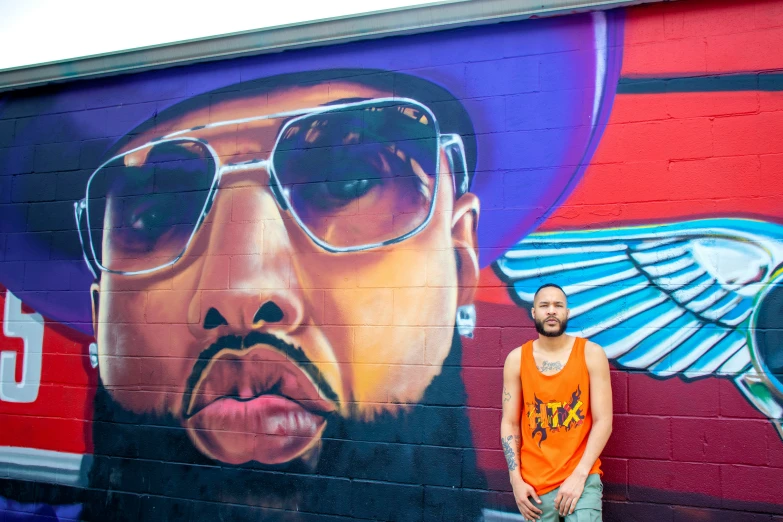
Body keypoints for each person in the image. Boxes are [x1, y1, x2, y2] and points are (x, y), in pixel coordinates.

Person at [501, 283, 613, 521]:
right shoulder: (516, 359)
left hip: (581, 482)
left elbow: (604, 421)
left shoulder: (591, 354)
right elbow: (509, 424)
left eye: (558, 305)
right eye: (544, 305)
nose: (551, 311)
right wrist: (515, 481)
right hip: (535, 488)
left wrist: (580, 475)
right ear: (533, 312)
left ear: (567, 312)